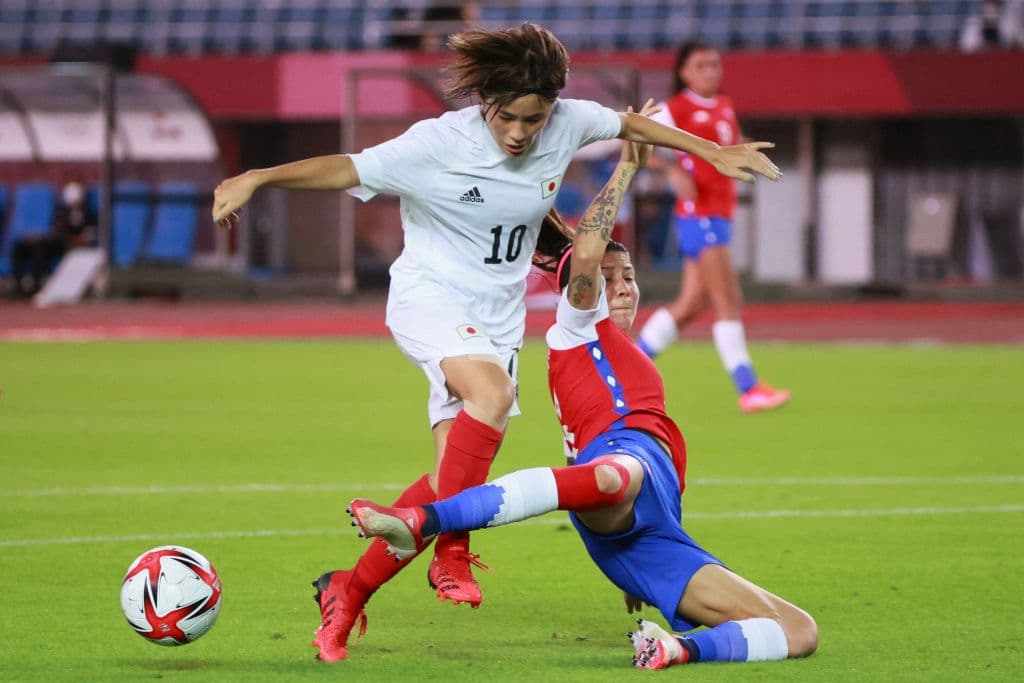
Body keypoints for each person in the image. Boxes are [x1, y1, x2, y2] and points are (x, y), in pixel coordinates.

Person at [211, 23, 781, 663]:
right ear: (486, 103)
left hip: (496, 320)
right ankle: (453, 552)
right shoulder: (436, 143)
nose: (519, 132)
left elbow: (632, 126)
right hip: (431, 298)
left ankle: (347, 594)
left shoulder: (566, 122)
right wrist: (258, 176)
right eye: (507, 118)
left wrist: (712, 153)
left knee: (446, 476)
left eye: (532, 121)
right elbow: (346, 168)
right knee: (493, 393)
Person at [348, 124, 817, 668]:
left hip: (654, 533)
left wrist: (641, 566)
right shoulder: (578, 329)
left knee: (799, 630)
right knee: (612, 475)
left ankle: (675, 649)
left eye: (630, 277)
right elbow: (587, 253)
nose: (620, 286)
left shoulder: (622, 355)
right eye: (608, 277)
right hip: (619, 473)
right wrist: (627, 169)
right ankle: (427, 521)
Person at [635, 40, 790, 413]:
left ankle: (630, 366)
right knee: (728, 300)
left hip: (719, 212)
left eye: (714, 65)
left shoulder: (724, 106)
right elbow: (637, 138)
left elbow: (727, 148)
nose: (710, 71)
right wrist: (671, 169)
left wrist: (745, 151)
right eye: (701, 65)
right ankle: (748, 388)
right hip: (699, 214)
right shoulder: (675, 109)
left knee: (689, 305)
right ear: (684, 72)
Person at [11, 179, 96, 297]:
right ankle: (18, 286)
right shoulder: (61, 213)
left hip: (66, 247)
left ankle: (36, 285)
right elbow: (55, 230)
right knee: (20, 246)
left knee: (40, 249)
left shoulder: (89, 216)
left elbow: (88, 237)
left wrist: (72, 240)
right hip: (54, 242)